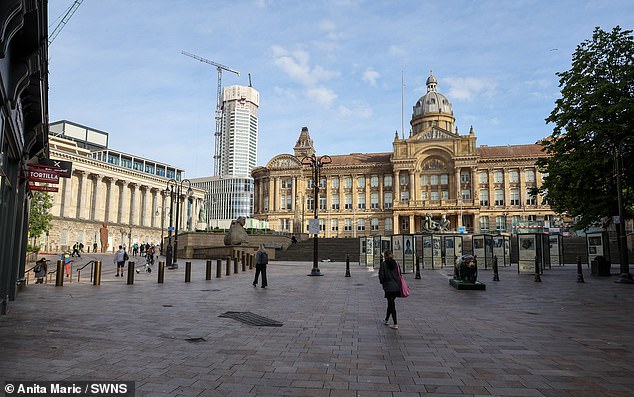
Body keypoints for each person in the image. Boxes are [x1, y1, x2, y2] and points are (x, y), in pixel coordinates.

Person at [378, 250, 401, 329]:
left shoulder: (383, 264)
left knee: (391, 305)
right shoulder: (396, 264)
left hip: (388, 287)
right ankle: (386, 319)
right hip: (396, 286)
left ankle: (395, 323)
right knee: (390, 303)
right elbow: (399, 274)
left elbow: (381, 276)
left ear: (385, 256)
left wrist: (383, 283)